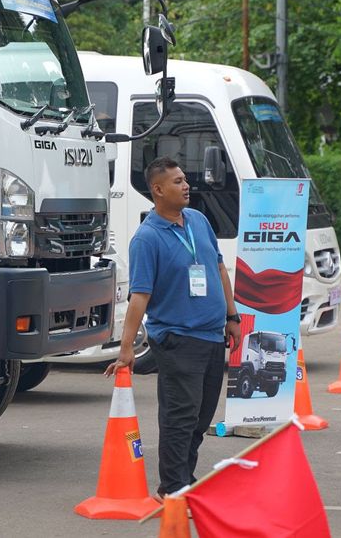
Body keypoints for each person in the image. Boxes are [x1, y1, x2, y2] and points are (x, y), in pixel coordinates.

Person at [106, 157, 239, 499]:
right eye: (178, 181)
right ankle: (173, 488)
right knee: (180, 418)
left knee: (200, 417)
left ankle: (185, 480)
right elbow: (140, 296)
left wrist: (232, 316)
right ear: (158, 189)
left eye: (184, 179)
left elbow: (219, 268)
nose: (186, 185)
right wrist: (127, 346)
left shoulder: (197, 220)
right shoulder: (147, 239)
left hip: (212, 336)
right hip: (178, 340)